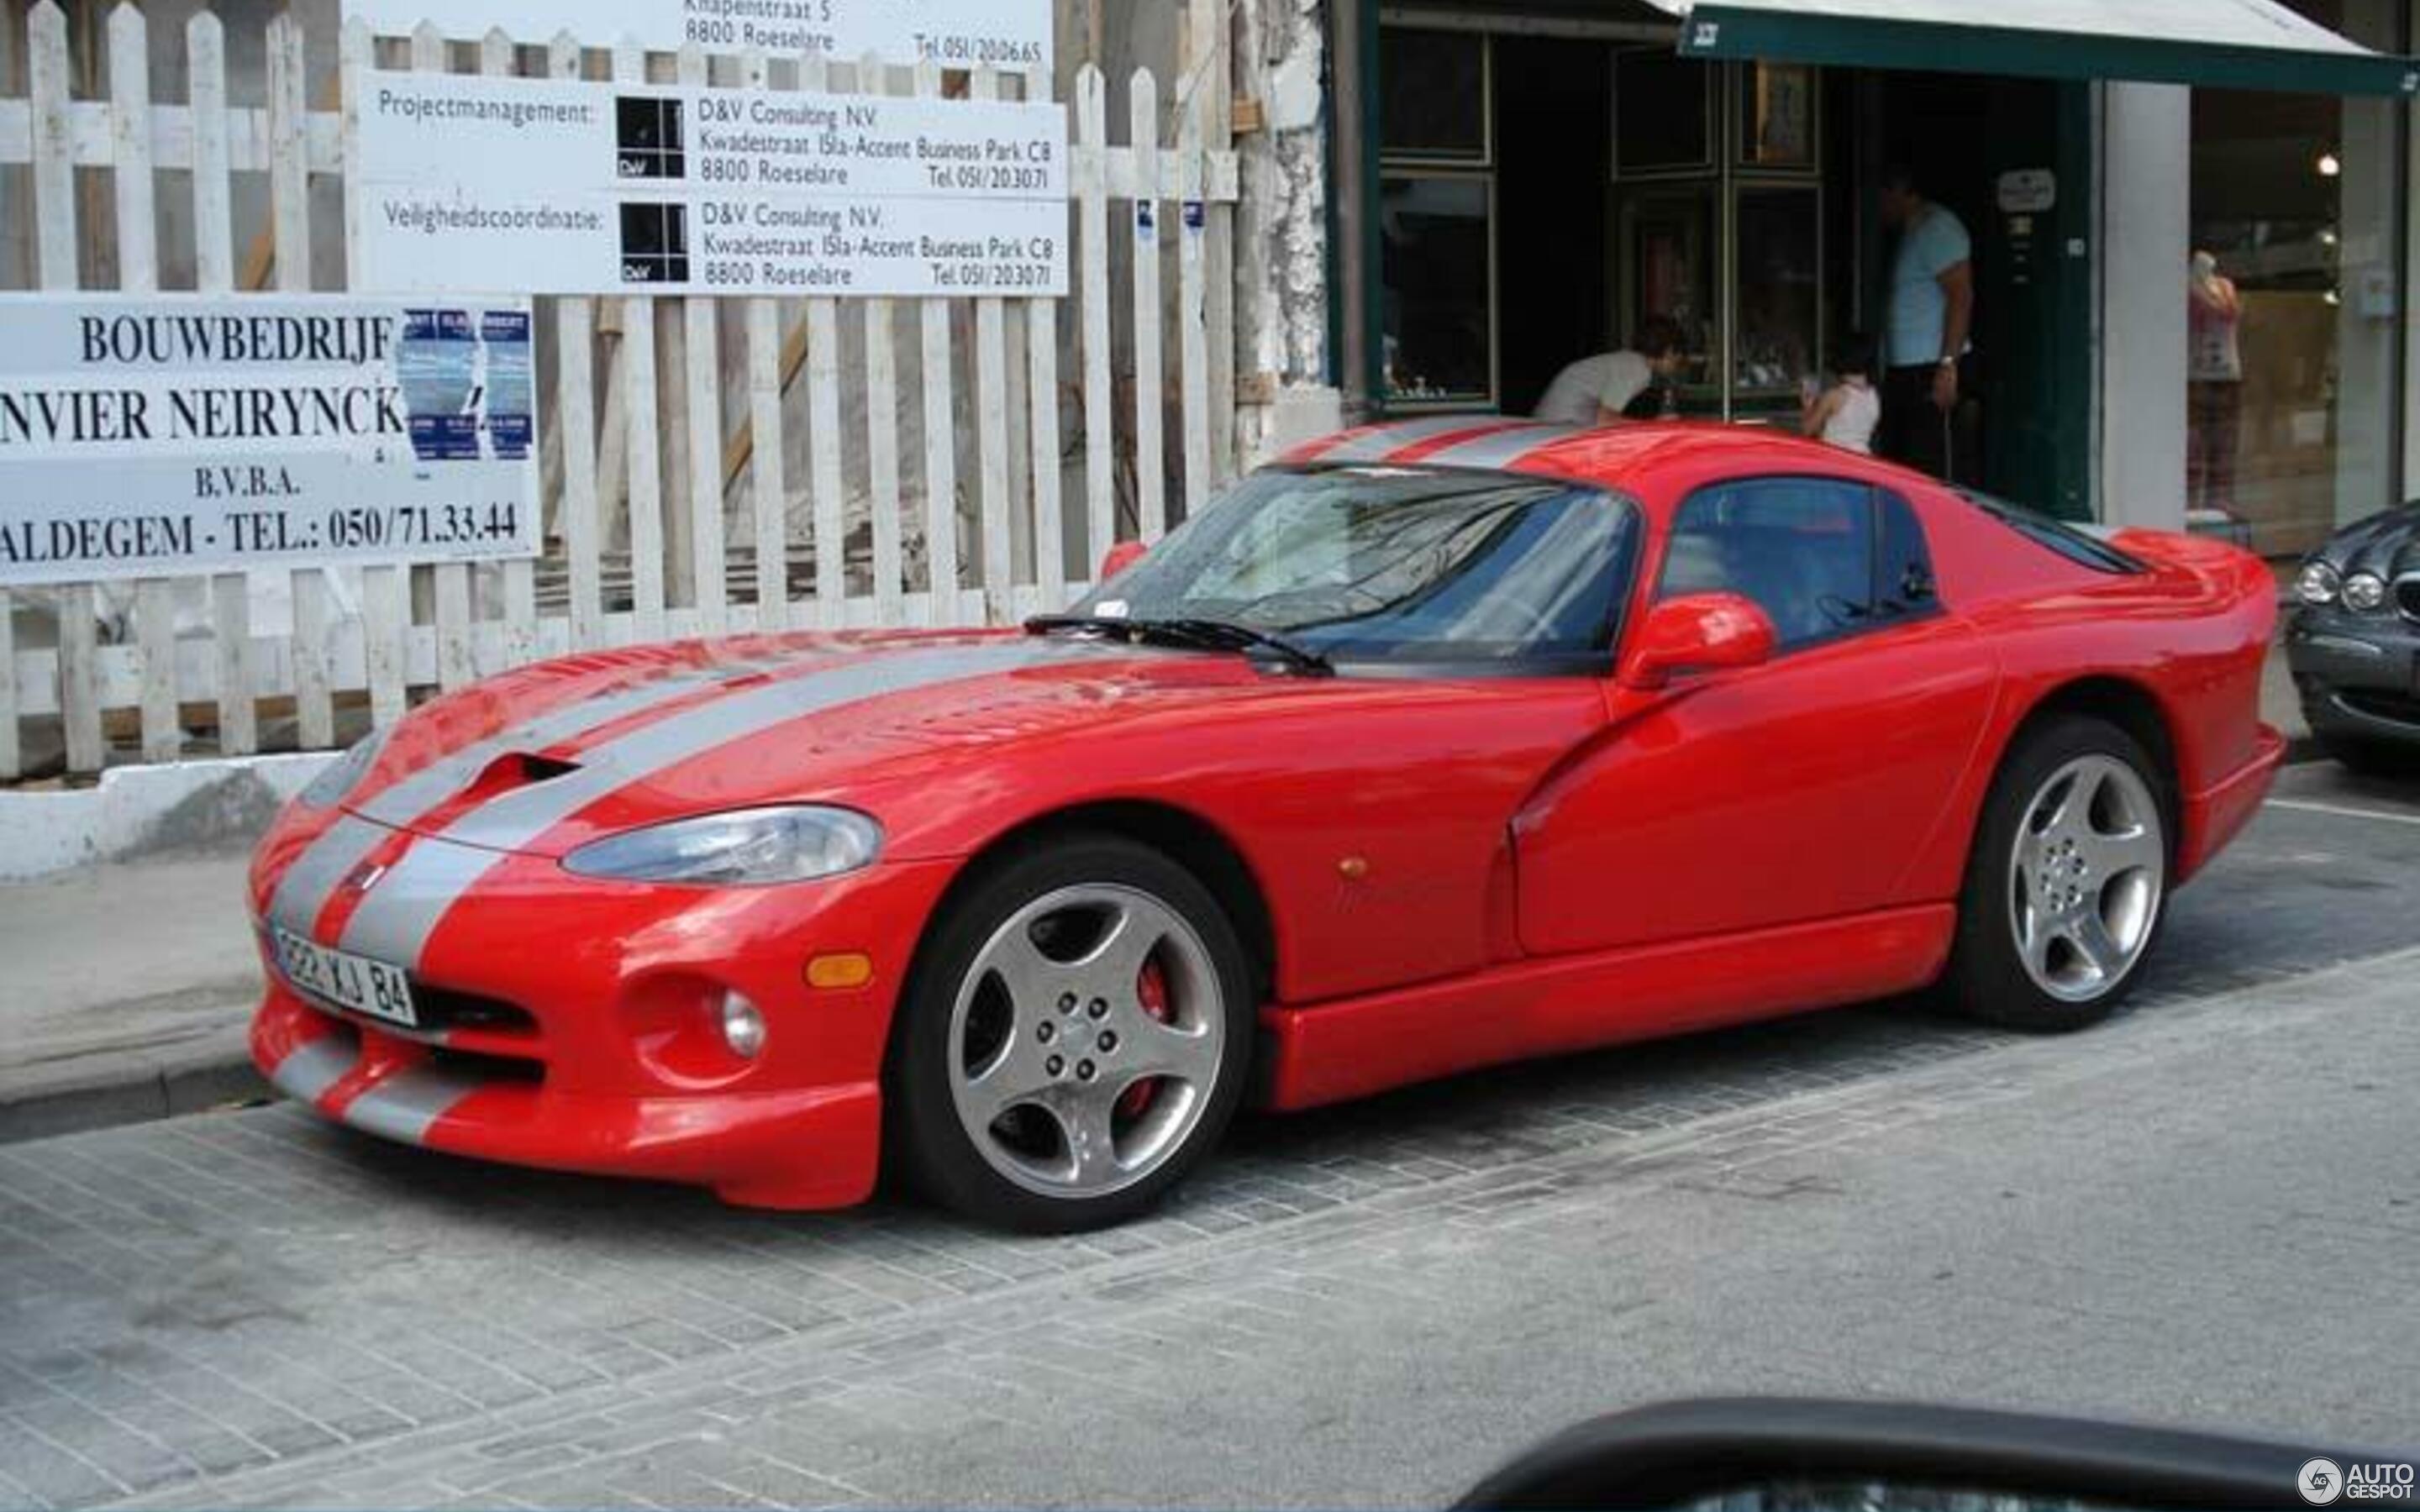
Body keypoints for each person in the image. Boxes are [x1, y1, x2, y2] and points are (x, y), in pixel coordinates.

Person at [1874, 165, 1976, 482]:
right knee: (1906, 463)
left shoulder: (1936, 229)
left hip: (1929, 368)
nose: (1879, 207)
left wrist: (1948, 364)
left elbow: (1961, 295)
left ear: (1902, 189)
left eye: (1883, 196)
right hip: (1905, 370)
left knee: (1933, 467)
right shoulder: (1910, 232)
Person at [1534, 318, 1689, 426]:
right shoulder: (1639, 369)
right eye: (1678, 360)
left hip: (1550, 421)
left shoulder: (1627, 361)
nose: (1677, 366)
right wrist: (1652, 426)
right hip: (1563, 425)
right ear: (1669, 352)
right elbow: (1605, 421)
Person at [2187, 249, 2244, 515]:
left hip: (2228, 371)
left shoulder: (2225, 286)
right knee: (2195, 440)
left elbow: (2228, 314)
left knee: (2224, 437)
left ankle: (2219, 498)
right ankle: (2191, 500)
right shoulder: (2186, 286)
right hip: (2196, 373)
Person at [1801, 334, 1880, 455]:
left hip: (1836, 463)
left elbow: (1807, 431)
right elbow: (1845, 434)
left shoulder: (1835, 395)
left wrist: (1808, 406)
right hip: (1864, 461)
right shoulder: (1874, 395)